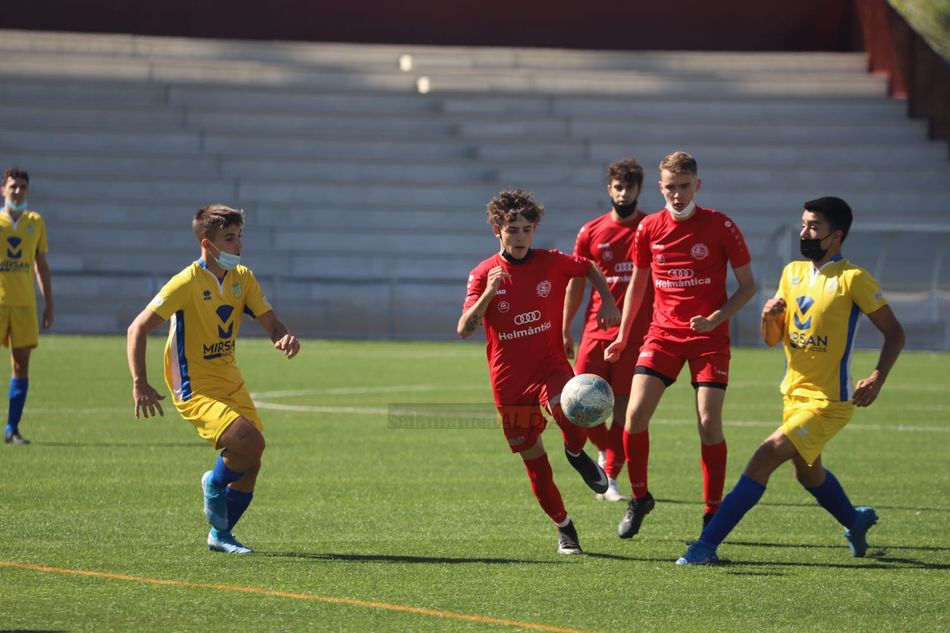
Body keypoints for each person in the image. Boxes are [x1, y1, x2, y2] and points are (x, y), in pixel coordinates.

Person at [677, 196, 905, 564]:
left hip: (829, 403)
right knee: (807, 473)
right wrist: (768, 316)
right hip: (793, 395)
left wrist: (877, 376)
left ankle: (705, 546)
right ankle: (854, 520)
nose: (805, 232)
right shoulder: (792, 273)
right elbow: (772, 338)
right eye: (803, 224)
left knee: (763, 457)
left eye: (814, 227)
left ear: (836, 236)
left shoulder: (854, 280)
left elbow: (895, 333)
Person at [127, 205, 300, 554]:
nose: (239, 246)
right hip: (195, 387)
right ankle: (214, 483)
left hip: (230, 381)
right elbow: (137, 327)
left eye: (239, 237)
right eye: (230, 239)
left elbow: (271, 322)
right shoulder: (186, 283)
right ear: (208, 244)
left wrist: (284, 336)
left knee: (252, 463)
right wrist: (139, 382)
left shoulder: (243, 279)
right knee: (251, 443)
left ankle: (221, 535)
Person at [458, 188, 621, 555]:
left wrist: (608, 300)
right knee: (536, 465)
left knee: (570, 409)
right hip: (509, 381)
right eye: (512, 229)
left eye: (526, 229)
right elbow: (464, 328)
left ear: (535, 230)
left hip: (549, 367)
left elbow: (588, 267)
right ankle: (564, 527)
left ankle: (577, 454)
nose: (519, 236)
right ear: (496, 231)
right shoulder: (482, 274)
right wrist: (487, 295)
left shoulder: (551, 262)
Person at [605, 151, 755, 539]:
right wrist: (623, 335)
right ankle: (640, 498)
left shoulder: (721, 226)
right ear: (660, 187)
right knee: (634, 416)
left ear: (697, 186)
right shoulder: (649, 228)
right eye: (670, 187)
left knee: (708, 423)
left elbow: (748, 286)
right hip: (662, 336)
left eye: (684, 186)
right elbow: (639, 283)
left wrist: (717, 318)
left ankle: (713, 513)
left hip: (709, 341)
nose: (677, 194)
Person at [562, 158, 653, 502]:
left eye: (630, 187)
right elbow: (575, 284)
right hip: (595, 332)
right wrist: (565, 328)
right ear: (609, 188)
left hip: (638, 334)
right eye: (618, 186)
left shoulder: (651, 227)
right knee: (578, 403)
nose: (624, 193)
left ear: (639, 190)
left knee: (626, 407)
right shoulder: (591, 232)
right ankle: (606, 453)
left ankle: (611, 475)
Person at [1, 168, 53, 445]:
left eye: (22, 187)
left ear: (27, 191)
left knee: (20, 366)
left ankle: (12, 429)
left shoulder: (36, 222)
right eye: (13, 186)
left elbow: (40, 265)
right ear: (3, 190)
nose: (17, 191)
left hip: (24, 304)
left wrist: (49, 303)